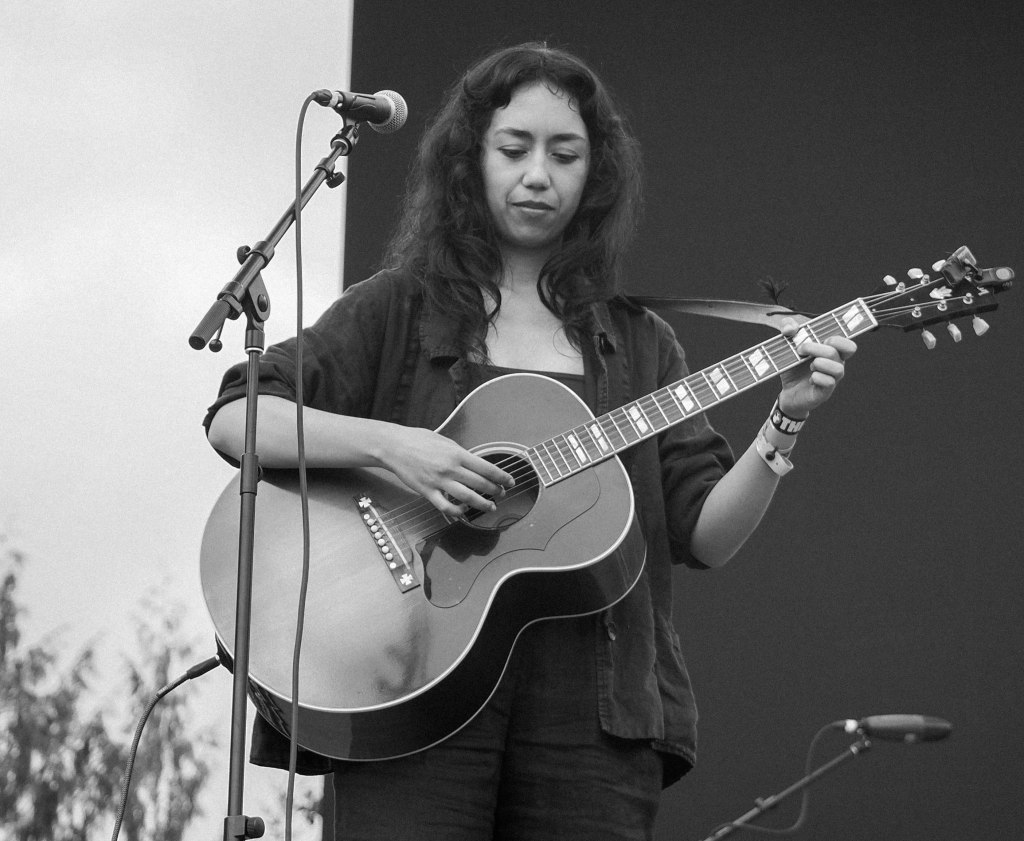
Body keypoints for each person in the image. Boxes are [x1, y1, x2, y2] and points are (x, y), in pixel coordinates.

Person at [204, 42, 856, 841]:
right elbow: (238, 418)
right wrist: (398, 449)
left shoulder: (640, 345)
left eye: (565, 154)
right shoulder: (399, 308)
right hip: (409, 689)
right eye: (514, 149)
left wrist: (786, 417)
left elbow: (705, 536)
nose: (538, 174)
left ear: (595, 176)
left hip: (593, 720)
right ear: (471, 161)